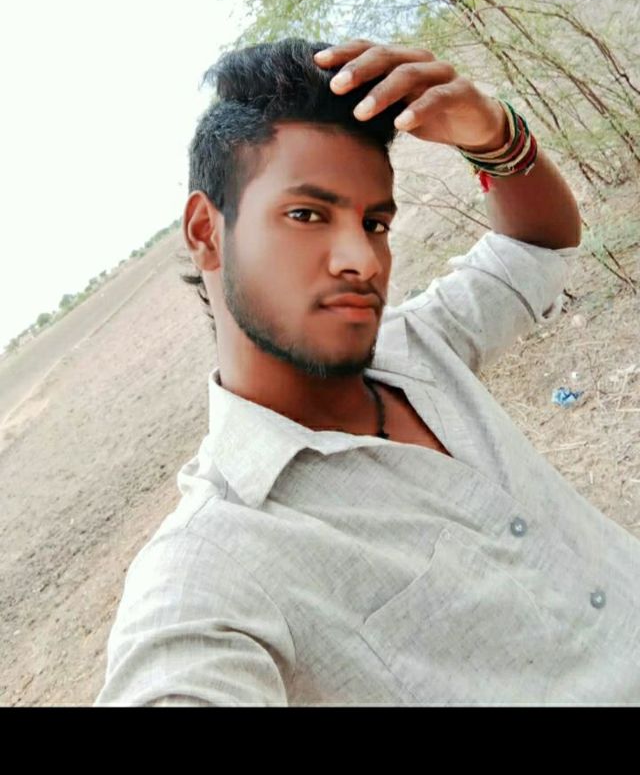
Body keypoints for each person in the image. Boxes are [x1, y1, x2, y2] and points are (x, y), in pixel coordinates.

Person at [94, 37, 640, 706]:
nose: (361, 258)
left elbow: (535, 246)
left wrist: (496, 136)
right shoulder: (213, 564)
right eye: (306, 215)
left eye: (375, 223)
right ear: (207, 232)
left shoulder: (418, 346)